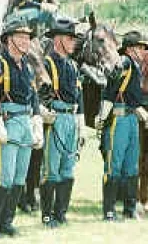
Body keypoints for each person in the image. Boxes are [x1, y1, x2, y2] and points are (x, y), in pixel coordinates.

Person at [0, 17, 43, 239]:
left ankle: (7, 221)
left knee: (20, 178)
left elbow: (34, 96)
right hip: (7, 123)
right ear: (9, 40)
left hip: (26, 123)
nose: (26, 41)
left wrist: (37, 121)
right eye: (21, 37)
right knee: (5, 177)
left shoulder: (27, 66)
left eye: (28, 37)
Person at [95, 30, 148, 221]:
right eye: (140, 48)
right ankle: (109, 211)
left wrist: (140, 111)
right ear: (130, 49)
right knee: (114, 165)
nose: (143, 52)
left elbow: (132, 96)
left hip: (131, 119)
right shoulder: (126, 62)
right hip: (119, 118)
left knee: (131, 166)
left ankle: (129, 208)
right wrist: (103, 116)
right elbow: (111, 88)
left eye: (144, 48)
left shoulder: (135, 67)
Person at [39, 17, 85, 227]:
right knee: (51, 170)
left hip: (72, 119)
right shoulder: (46, 63)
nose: (74, 42)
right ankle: (47, 215)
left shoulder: (73, 65)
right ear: (58, 40)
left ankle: (61, 213)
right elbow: (38, 95)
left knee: (68, 169)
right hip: (55, 118)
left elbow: (79, 98)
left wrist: (81, 126)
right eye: (70, 38)